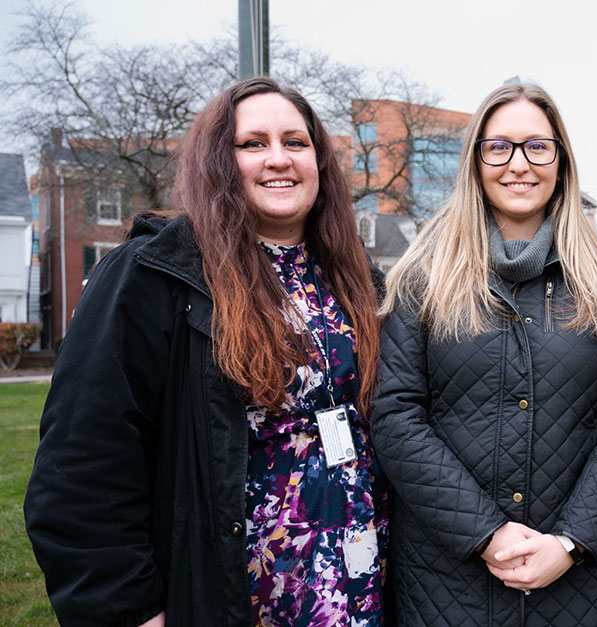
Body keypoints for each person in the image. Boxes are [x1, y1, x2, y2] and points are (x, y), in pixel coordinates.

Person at [24, 77, 388, 626]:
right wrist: (130, 610)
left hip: (359, 589)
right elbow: (82, 467)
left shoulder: (358, 279)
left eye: (295, 142)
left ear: (319, 161)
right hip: (235, 600)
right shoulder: (155, 275)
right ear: (218, 160)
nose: (278, 158)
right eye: (252, 143)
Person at [372, 82, 597, 626]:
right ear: (475, 162)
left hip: (580, 584)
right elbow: (396, 414)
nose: (518, 164)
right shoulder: (422, 278)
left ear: (561, 161)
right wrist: (487, 533)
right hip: (447, 581)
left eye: (537, 146)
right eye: (499, 147)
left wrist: (570, 541)